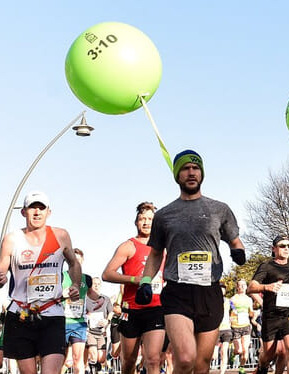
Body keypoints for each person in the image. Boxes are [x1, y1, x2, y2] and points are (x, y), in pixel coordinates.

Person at [138, 149, 245, 374]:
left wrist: (238, 252)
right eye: (185, 169)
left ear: (202, 173)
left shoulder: (219, 209)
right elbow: (156, 253)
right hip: (178, 291)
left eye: (195, 168)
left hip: (210, 292)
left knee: (202, 365)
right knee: (185, 359)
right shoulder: (164, 215)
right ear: (177, 175)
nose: (191, 173)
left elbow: (235, 241)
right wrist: (145, 281)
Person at [0, 191, 84, 374]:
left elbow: (74, 263)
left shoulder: (61, 235)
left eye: (42, 208)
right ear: (23, 212)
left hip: (52, 314)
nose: (37, 212)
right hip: (20, 315)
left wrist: (75, 284)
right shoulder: (12, 239)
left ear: (49, 212)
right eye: (33, 208)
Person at [102, 201, 166, 374]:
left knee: (153, 359)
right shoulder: (128, 246)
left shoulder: (163, 248)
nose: (146, 222)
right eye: (142, 219)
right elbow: (107, 274)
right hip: (132, 310)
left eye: (150, 219)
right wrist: (135, 279)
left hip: (156, 309)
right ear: (136, 222)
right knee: (129, 361)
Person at [250, 235, 289, 374]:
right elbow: (251, 287)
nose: (286, 248)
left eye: (288, 246)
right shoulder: (267, 266)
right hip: (271, 315)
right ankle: (262, 366)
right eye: (282, 246)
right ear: (274, 249)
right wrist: (267, 287)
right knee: (269, 354)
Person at [64, 248, 99, 374]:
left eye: (78, 260)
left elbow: (92, 296)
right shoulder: (62, 277)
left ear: (82, 261)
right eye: (73, 260)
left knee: (77, 359)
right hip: (61, 323)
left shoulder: (87, 279)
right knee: (61, 360)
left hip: (79, 324)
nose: (76, 263)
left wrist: (99, 301)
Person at [228, 281, 256, 371]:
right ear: (237, 287)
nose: (243, 287)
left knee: (245, 350)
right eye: (241, 285)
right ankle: (233, 353)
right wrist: (230, 320)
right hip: (235, 326)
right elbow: (229, 312)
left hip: (246, 326)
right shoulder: (232, 299)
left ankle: (241, 367)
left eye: (244, 285)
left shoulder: (249, 299)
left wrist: (253, 313)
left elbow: (250, 312)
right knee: (239, 350)